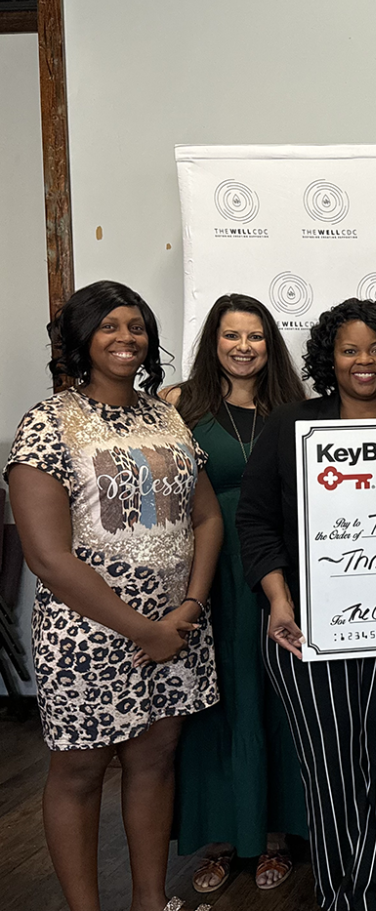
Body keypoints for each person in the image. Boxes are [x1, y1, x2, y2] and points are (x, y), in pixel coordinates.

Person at [6, 280, 221, 911]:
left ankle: (151, 901)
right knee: (79, 772)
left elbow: (206, 517)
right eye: (110, 327)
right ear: (80, 338)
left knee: (155, 762)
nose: (126, 338)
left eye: (136, 326)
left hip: (176, 624)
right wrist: (139, 627)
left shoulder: (165, 415)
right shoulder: (48, 422)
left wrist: (188, 608)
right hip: (89, 630)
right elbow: (47, 556)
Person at [236, 298, 376, 911]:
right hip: (305, 628)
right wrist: (278, 602)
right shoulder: (292, 425)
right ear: (330, 356)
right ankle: (336, 892)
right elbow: (256, 522)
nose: (364, 361)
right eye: (350, 349)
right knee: (328, 767)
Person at [162, 294, 308, 894]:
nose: (243, 347)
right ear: (213, 342)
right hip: (207, 574)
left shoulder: (295, 407)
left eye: (254, 336)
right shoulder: (177, 405)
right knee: (215, 700)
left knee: (277, 697)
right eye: (231, 336)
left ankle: (275, 836)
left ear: (269, 343)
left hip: (278, 569)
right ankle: (222, 837)